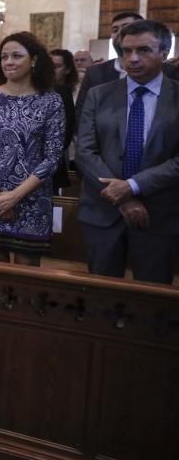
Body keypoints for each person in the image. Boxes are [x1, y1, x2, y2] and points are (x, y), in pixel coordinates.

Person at [75, 20, 179, 284]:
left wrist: (132, 186)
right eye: (125, 51)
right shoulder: (100, 95)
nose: (132, 59)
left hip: (158, 212)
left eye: (143, 50)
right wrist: (122, 197)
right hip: (103, 211)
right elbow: (85, 151)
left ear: (164, 53)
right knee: (102, 294)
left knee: (152, 295)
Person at [0, 32, 65, 266]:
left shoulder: (50, 101)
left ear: (33, 60)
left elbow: (52, 157)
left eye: (17, 56)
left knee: (26, 269)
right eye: (4, 57)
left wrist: (14, 196)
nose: (9, 62)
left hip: (31, 198)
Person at [75, 12, 178, 116]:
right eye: (115, 30)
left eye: (127, 27)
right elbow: (82, 115)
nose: (120, 33)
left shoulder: (171, 72)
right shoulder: (95, 73)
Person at [50, 48, 78, 188]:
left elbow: (66, 131)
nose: (51, 70)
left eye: (56, 66)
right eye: (48, 66)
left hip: (54, 159)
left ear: (67, 70)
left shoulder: (63, 91)